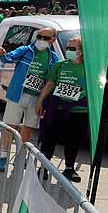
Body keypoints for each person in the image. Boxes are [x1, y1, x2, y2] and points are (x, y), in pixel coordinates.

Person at [0, 27, 62, 171]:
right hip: (17, 94)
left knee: (27, 129)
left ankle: (20, 156)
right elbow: (8, 57)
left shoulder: (54, 58)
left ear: (53, 40)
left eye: (45, 38)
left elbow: (51, 81)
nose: (41, 40)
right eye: (39, 36)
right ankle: (3, 157)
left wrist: (42, 101)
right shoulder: (25, 50)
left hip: (36, 98)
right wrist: (2, 53)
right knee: (10, 127)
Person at [36, 35, 90, 182]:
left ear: (81, 51)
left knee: (73, 141)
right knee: (49, 139)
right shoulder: (60, 65)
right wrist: (40, 101)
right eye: (67, 47)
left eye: (72, 48)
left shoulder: (89, 68)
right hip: (57, 109)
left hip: (78, 112)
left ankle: (69, 168)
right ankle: (44, 167)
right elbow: (50, 84)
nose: (68, 50)